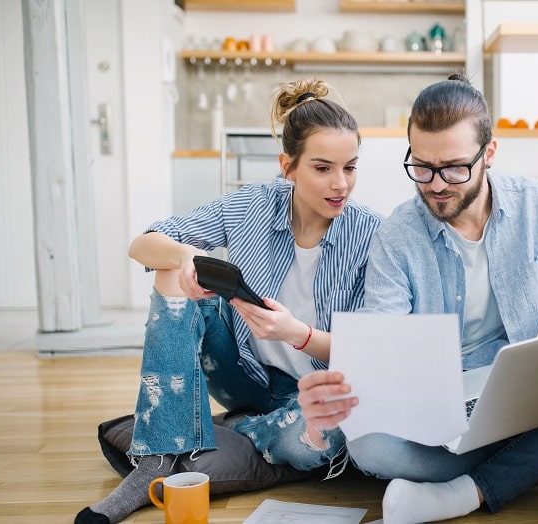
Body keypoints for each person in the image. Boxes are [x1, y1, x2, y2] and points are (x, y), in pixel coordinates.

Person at [297, 74, 538, 524]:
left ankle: (470, 489)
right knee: (370, 448)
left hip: (527, 384)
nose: (436, 185)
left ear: (489, 154)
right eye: (422, 167)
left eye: (455, 167)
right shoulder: (397, 234)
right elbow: (385, 338)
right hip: (446, 401)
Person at [76, 77, 383, 524]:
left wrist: (297, 335)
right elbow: (142, 244)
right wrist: (187, 258)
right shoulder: (251, 206)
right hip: (243, 374)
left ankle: (230, 428)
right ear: (288, 166)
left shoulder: (372, 232)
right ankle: (156, 463)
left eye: (350, 167)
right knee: (169, 273)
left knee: (324, 437)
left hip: (312, 393)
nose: (341, 184)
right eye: (322, 168)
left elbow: (372, 351)